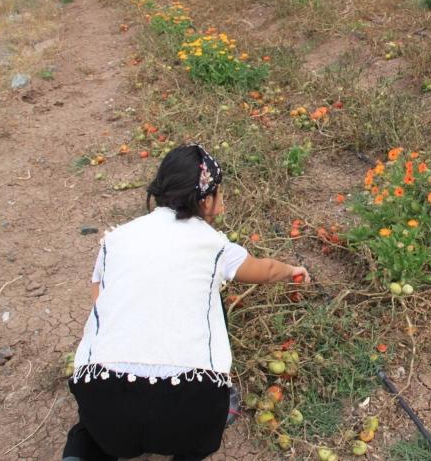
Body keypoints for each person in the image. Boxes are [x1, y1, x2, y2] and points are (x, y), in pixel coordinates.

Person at [62, 144, 311, 461]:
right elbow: (266, 270)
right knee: (202, 428)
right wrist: (292, 270)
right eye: (219, 193)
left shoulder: (115, 240)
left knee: (93, 428)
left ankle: (82, 453)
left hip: (105, 404)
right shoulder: (214, 246)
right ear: (206, 200)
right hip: (186, 408)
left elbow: (101, 304)